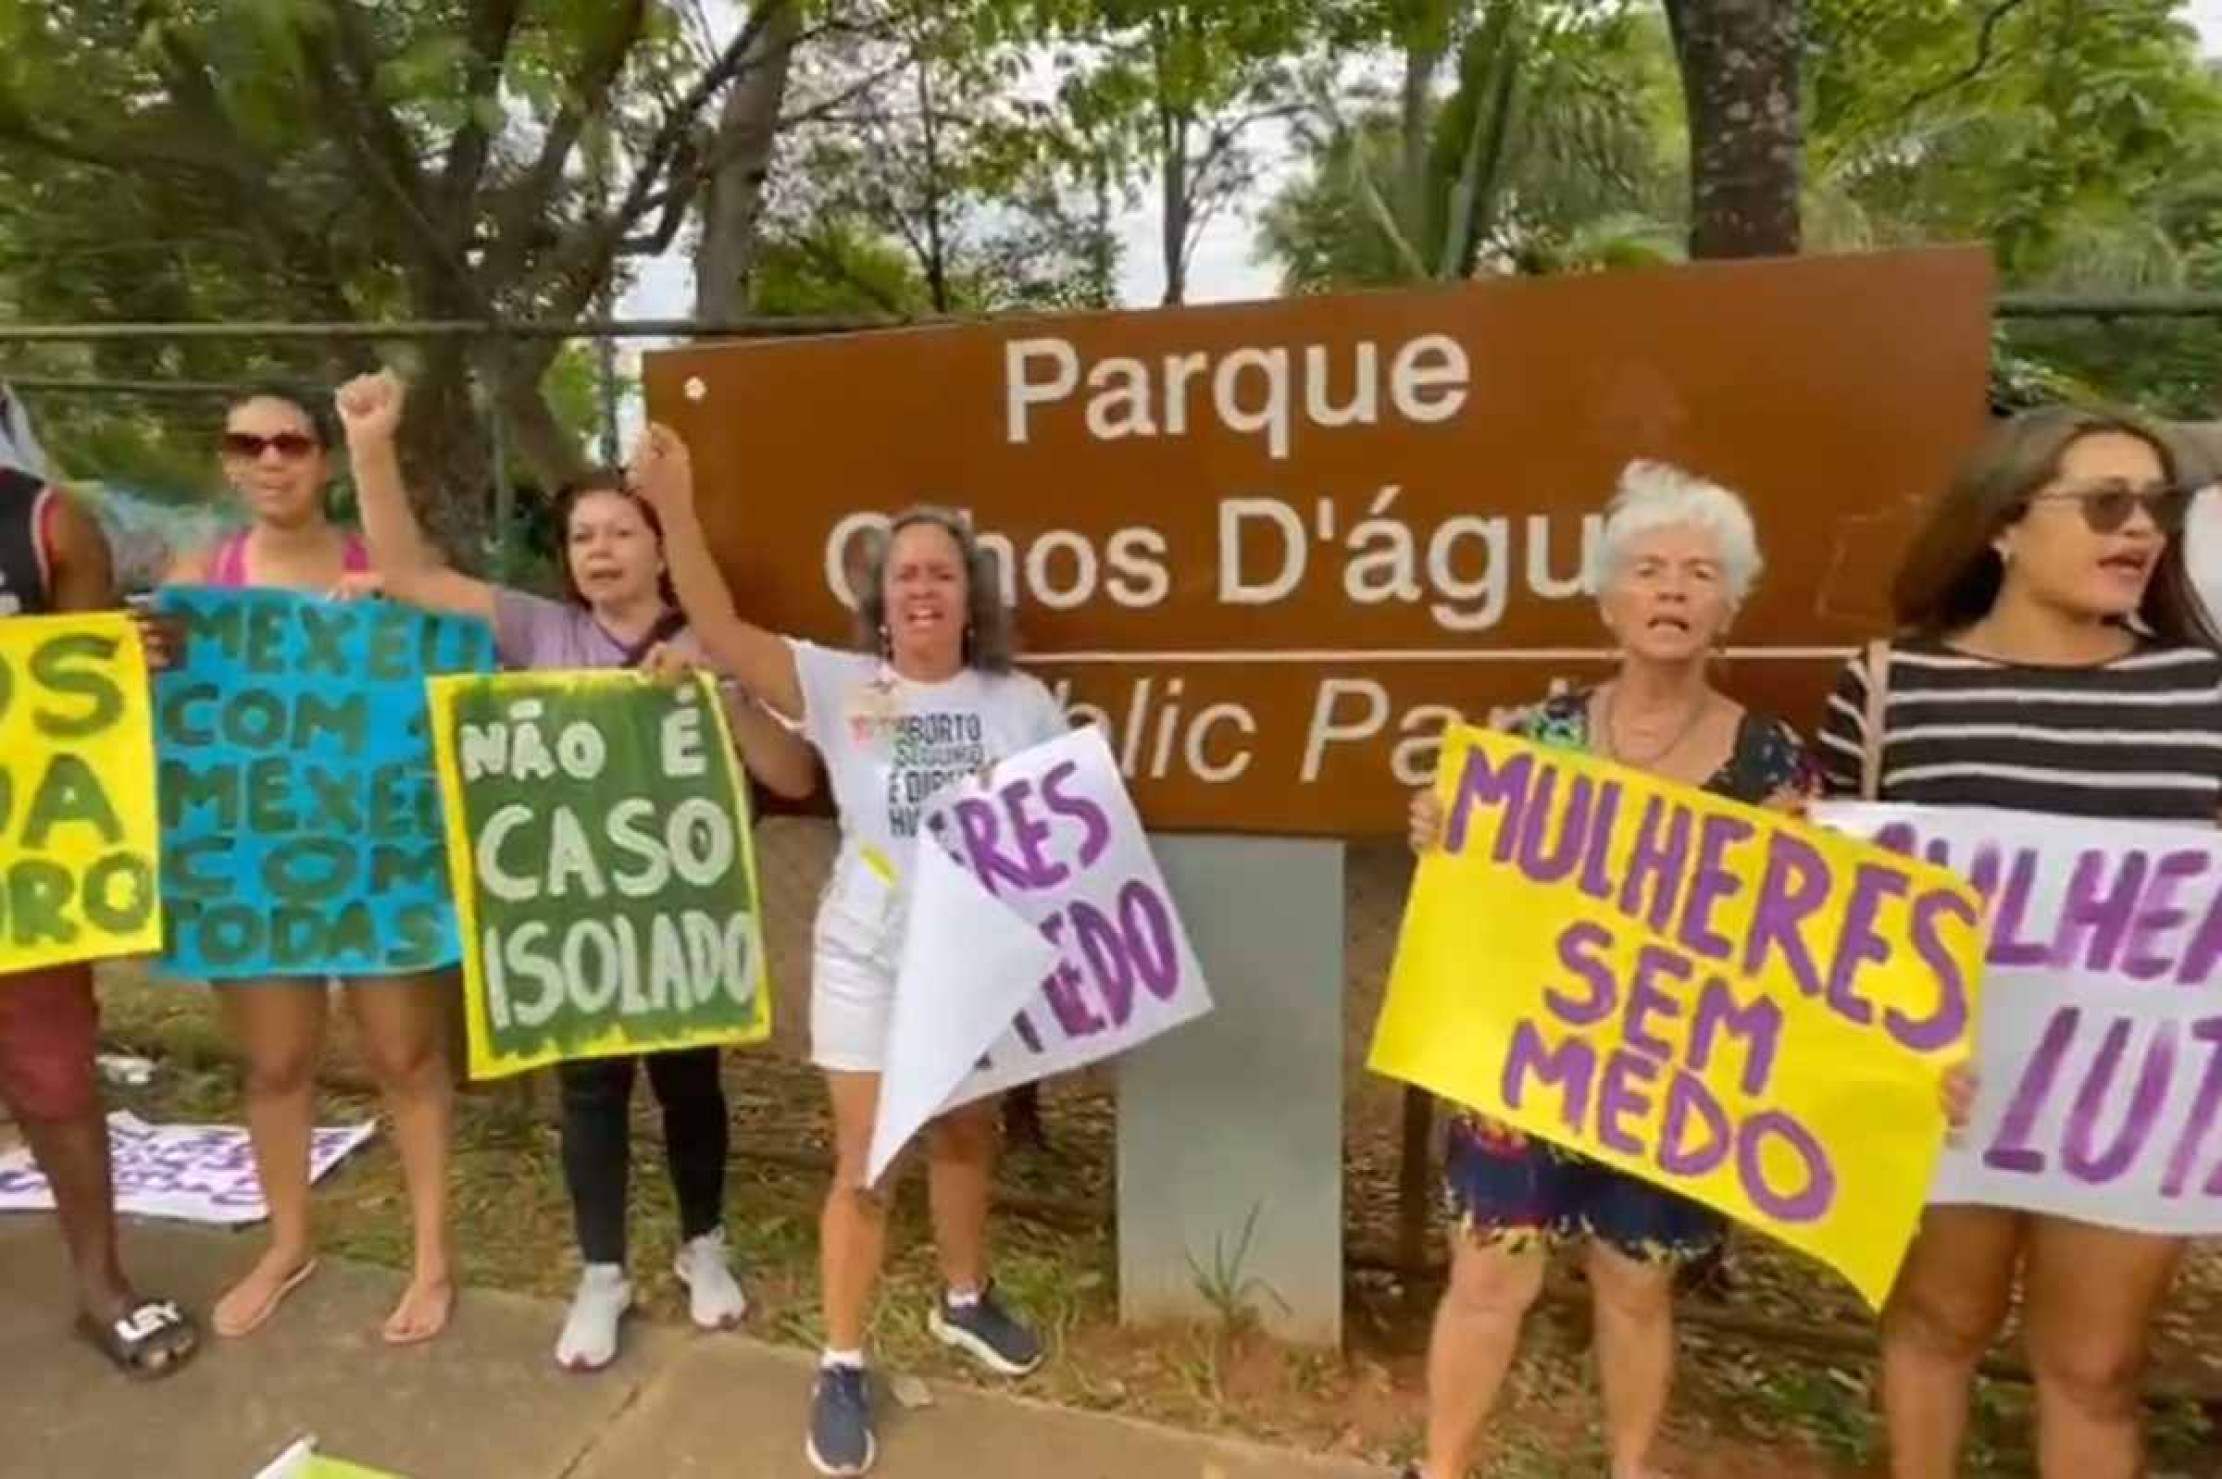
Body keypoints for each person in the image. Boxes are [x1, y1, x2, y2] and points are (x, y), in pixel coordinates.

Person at [335, 372, 817, 1372]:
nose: (599, 551)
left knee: (691, 1081)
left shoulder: (709, 642)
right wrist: (370, 445)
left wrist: (719, 699)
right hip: (570, 916)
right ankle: (602, 1270)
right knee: (589, 1086)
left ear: (660, 548)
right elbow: (411, 576)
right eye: (582, 537)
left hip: (680, 913)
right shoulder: (536, 631)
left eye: (620, 532)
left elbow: (792, 772)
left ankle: (702, 1246)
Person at [629, 429, 1065, 1477]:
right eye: (903, 573)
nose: (921, 588)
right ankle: (839, 1360)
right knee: (865, 1163)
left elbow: (1067, 844)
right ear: (880, 598)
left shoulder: (1022, 704)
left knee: (964, 1134)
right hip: (864, 957)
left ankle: (964, 1298)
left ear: (971, 597)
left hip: (973, 963)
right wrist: (675, 504)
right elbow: (723, 631)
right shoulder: (839, 683)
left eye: (941, 573)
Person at [1815, 407, 2222, 1479]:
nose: (2138, 529)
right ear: (2000, 525)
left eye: (2156, 507)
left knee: (2094, 1368)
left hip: (2127, 1108)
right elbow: (1817, 893)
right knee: (1932, 1327)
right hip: (1938, 1088)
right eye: (2102, 504)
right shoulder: (1887, 688)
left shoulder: (2202, 693)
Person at [1400, 461, 1821, 1479]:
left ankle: (1630, 1469)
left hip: (1666, 1069)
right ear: (1605, 598)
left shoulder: (1772, 768)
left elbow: (1795, 949)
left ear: (1729, 604)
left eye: (1697, 572)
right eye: (1647, 569)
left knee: (1634, 1286)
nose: (1671, 590)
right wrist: (1438, 835)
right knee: (1488, 1275)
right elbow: (1471, 901)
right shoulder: (1527, 740)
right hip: (1527, 1058)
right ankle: (1442, 1467)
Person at [163, 385, 451, 1345]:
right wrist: (148, 656)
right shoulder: (202, 578)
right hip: (254, 870)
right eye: (249, 442)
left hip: (379, 859)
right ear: (229, 462)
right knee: (277, 1062)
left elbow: (449, 629)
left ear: (322, 459)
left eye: (292, 440)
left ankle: (432, 1258)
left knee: (405, 1058)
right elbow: (153, 712)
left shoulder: (383, 567)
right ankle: (289, 1242)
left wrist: (394, 606)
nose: (272, 457)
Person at [0, 458, 201, 1377]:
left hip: (23, 863)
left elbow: (89, 685)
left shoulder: (47, 524)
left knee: (55, 1077)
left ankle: (101, 1286)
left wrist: (134, 652)